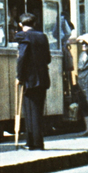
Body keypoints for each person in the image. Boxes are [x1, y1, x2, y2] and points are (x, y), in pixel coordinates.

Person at [15, 12, 52, 149]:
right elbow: (48, 59)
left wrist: (19, 76)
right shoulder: (43, 36)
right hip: (42, 78)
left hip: (29, 79)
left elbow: (22, 58)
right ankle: (33, 141)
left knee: (30, 110)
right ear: (34, 24)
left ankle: (35, 143)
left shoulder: (22, 36)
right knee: (38, 110)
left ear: (20, 24)